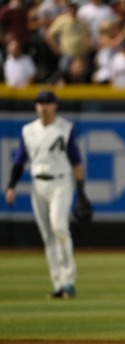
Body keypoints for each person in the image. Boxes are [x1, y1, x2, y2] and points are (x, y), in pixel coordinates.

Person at [4, 90, 90, 299]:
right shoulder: (28, 131)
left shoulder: (65, 128)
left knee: (59, 226)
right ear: (36, 106)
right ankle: (58, 283)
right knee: (48, 236)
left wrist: (81, 192)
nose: (43, 106)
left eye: (47, 103)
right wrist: (12, 186)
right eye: (40, 103)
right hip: (38, 185)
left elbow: (76, 161)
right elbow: (19, 160)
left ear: (55, 106)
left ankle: (69, 280)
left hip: (61, 182)